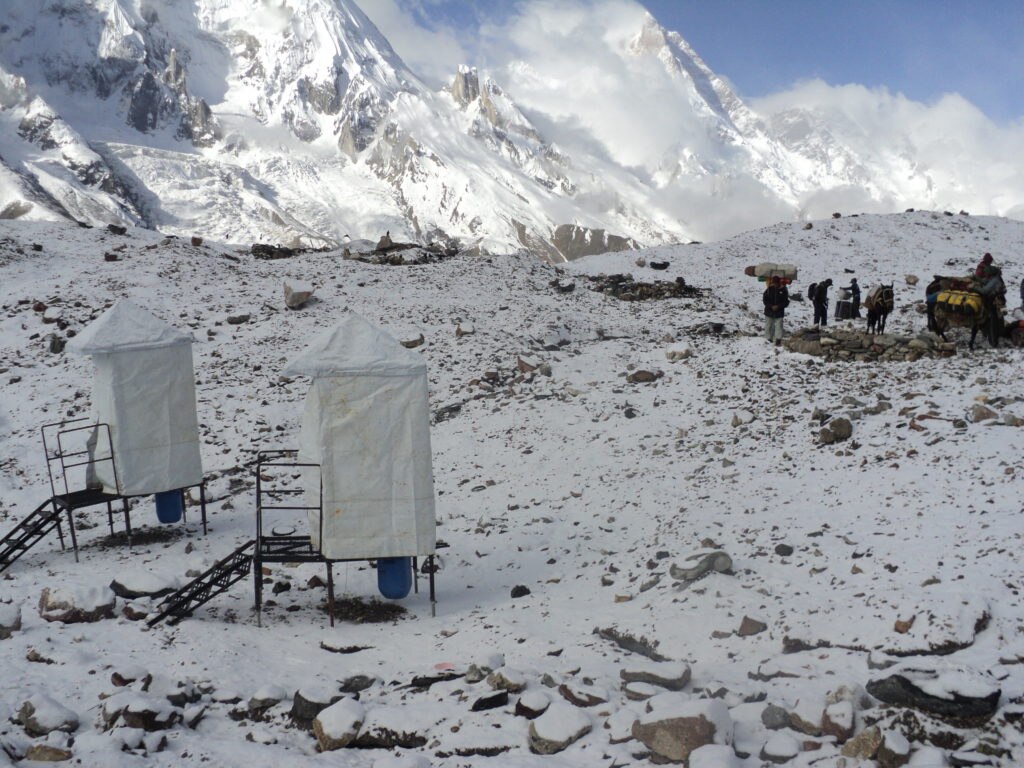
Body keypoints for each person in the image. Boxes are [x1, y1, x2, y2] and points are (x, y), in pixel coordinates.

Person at [762, 275, 789, 346]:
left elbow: (786, 302)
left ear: (779, 283)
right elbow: (765, 300)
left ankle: (778, 339)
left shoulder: (784, 290)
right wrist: (771, 306)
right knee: (768, 325)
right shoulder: (768, 290)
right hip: (769, 311)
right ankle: (768, 339)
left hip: (779, 311)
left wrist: (778, 306)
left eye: (776, 283)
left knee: (779, 326)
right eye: (774, 283)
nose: (775, 285)